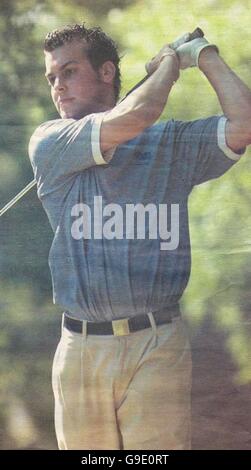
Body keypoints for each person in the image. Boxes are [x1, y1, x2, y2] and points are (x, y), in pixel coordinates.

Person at [28, 23, 251, 450]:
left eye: (70, 72)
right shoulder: (49, 141)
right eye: (52, 77)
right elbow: (137, 114)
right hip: (80, 349)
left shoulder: (169, 143)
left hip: (157, 342)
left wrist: (203, 53)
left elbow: (243, 123)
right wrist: (170, 62)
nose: (58, 86)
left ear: (107, 72)